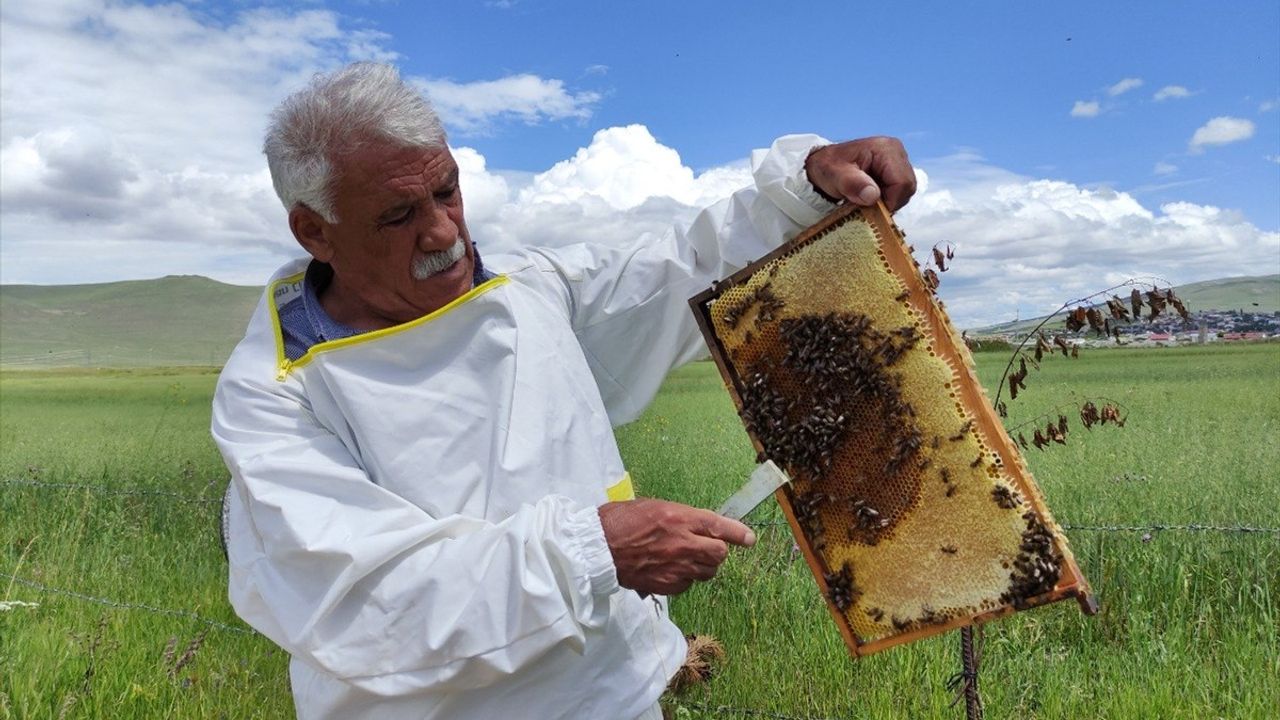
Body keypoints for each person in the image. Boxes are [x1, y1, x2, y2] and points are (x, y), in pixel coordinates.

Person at [212, 62, 915, 720]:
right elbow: (369, 603)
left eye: (448, 190)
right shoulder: (272, 398)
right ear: (315, 231)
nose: (443, 230)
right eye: (398, 216)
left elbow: (675, 270)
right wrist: (595, 553)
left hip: (621, 694)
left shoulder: (528, 284)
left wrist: (804, 193)